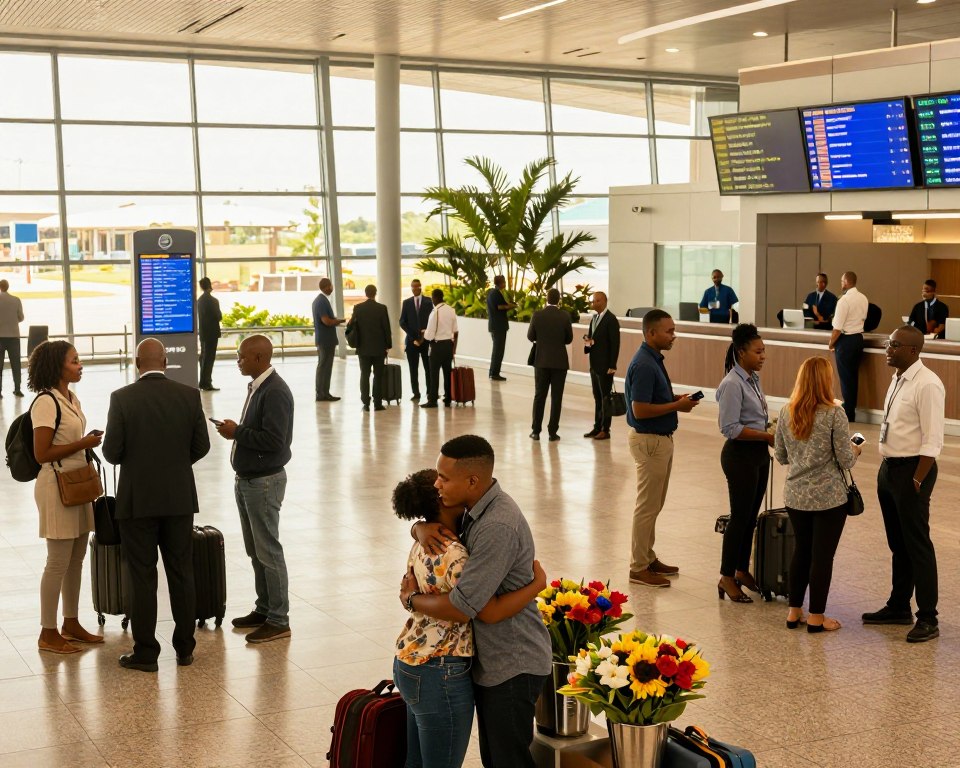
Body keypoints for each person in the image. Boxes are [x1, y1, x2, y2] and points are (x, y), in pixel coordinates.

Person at [400, 435, 551, 768]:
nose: (436, 484)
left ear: (473, 480)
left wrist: (411, 599)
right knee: (494, 759)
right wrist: (420, 528)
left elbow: (465, 607)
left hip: (512, 661)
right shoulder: (471, 509)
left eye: (444, 478)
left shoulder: (497, 525)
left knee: (506, 761)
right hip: (488, 660)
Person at [102, 338, 210, 672]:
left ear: (137, 363)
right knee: (181, 571)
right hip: (178, 499)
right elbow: (201, 446)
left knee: (142, 576)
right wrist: (176, 465)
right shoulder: (189, 396)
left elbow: (111, 453)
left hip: (137, 501)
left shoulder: (122, 399)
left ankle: (146, 653)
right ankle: (185, 648)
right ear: (165, 362)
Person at [862, 325, 945, 643]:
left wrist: (916, 479)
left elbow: (933, 439)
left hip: (913, 471)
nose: (888, 349)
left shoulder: (928, 384)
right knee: (898, 544)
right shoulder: (899, 377)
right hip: (890, 469)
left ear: (913, 350)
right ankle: (899, 607)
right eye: (888, 343)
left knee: (918, 545)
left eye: (894, 345)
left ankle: (928, 618)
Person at [215, 335, 294, 644]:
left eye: (242, 357)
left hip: (263, 482)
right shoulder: (259, 386)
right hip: (248, 481)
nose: (238, 361)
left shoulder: (275, 391)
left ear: (259, 358)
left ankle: (279, 618)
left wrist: (238, 433)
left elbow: (276, 442)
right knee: (255, 550)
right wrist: (239, 432)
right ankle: (264, 608)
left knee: (268, 550)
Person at [28, 340, 104, 654]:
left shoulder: (70, 397)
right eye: (74, 361)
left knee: (76, 558)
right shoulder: (46, 402)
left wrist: (85, 443)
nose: (80, 365)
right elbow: (41, 453)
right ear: (58, 366)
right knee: (57, 562)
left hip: (77, 482)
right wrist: (83, 443)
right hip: (56, 484)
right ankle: (48, 632)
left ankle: (70, 623)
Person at [774, 357, 860, 633]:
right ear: (826, 380)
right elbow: (846, 460)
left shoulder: (787, 411)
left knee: (801, 551)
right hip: (829, 498)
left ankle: (793, 611)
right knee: (822, 557)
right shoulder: (835, 414)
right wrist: (856, 449)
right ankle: (816, 617)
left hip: (796, 496)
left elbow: (781, 456)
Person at [625, 310, 700, 588]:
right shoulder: (644, 364)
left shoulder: (652, 359)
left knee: (654, 504)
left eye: (674, 330)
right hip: (650, 441)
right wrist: (676, 406)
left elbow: (651, 399)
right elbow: (640, 409)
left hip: (659, 439)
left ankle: (647, 556)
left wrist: (673, 399)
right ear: (651, 333)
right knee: (647, 506)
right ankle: (638, 567)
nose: (673, 335)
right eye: (668, 331)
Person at [716, 324, 773, 604]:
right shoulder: (731, 384)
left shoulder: (753, 379)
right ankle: (726, 576)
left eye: (764, 351)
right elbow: (729, 427)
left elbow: (756, 417)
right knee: (739, 518)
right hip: (739, 456)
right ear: (742, 352)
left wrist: (770, 430)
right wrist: (766, 435)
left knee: (751, 518)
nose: (763, 356)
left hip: (759, 454)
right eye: (758, 351)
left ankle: (741, 569)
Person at [527, 288, 573, 441]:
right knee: (556, 397)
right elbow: (568, 339)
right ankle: (553, 432)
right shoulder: (565, 316)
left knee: (539, 396)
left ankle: (536, 431)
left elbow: (530, 336)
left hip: (541, 361)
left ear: (546, 299)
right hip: (560, 362)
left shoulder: (537, 315)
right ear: (558, 300)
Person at [828, 271, 868, 423]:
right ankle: (851, 410)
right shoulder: (863, 298)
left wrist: (831, 343)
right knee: (853, 377)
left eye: (841, 281)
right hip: (858, 339)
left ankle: (848, 413)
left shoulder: (844, 300)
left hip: (845, 340)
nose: (841, 284)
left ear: (845, 282)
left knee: (845, 378)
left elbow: (837, 328)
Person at [583, 291, 620, 441]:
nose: (594, 303)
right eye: (593, 301)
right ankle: (597, 426)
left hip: (605, 366)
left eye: (597, 301)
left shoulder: (611, 320)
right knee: (597, 397)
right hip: (594, 364)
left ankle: (606, 429)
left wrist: (612, 365)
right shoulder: (594, 318)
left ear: (605, 301)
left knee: (606, 398)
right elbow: (592, 338)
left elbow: (615, 344)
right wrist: (588, 341)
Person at [350, 284, 392, 412]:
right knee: (378, 376)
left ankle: (366, 403)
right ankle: (377, 403)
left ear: (366, 293)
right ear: (375, 293)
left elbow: (351, 325)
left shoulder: (358, 308)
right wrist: (388, 345)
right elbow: (386, 328)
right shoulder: (381, 308)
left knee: (364, 375)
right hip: (379, 349)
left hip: (363, 348)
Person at [421, 288, 458, 409]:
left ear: (435, 298)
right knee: (447, 372)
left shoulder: (435, 312)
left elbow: (430, 334)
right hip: (448, 345)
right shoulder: (451, 310)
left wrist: (424, 333)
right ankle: (448, 398)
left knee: (434, 373)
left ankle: (432, 400)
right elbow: (456, 331)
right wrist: (454, 349)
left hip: (437, 347)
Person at [312, 277, 345, 402]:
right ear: (327, 287)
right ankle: (322, 394)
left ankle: (324, 393)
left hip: (325, 340)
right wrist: (341, 321)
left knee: (325, 366)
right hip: (326, 340)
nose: (332, 288)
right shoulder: (321, 301)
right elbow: (326, 321)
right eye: (331, 286)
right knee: (324, 367)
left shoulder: (320, 300)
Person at [399, 279, 433, 402]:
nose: (414, 289)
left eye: (416, 286)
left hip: (426, 341)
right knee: (413, 369)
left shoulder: (428, 302)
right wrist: (414, 336)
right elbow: (402, 322)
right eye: (412, 287)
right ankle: (416, 392)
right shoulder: (406, 303)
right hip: (411, 342)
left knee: (428, 368)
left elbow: (432, 321)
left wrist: (423, 337)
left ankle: (430, 391)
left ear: (420, 287)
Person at [486, 275, 515, 382]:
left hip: (496, 326)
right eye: (504, 281)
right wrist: (512, 306)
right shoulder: (495, 293)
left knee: (497, 350)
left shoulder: (492, 293)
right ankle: (494, 373)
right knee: (498, 351)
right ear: (501, 282)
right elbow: (500, 306)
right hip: (498, 326)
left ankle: (493, 372)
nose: (505, 283)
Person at [0, 278, 25, 397]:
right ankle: (17, 389)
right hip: (14, 337)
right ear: (8, 287)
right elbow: (21, 317)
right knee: (16, 364)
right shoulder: (16, 300)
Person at [197, 277, 222, 391]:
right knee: (209, 358)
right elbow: (219, 317)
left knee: (203, 357)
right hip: (212, 334)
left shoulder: (200, 301)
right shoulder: (213, 301)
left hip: (203, 333)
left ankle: (203, 382)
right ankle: (207, 383)